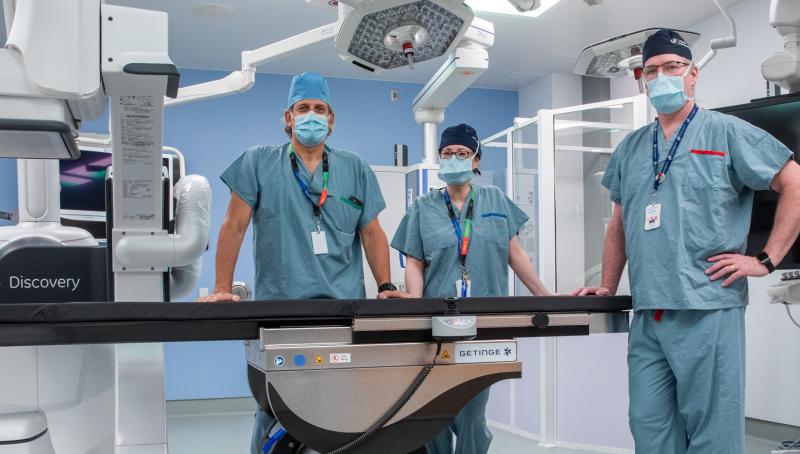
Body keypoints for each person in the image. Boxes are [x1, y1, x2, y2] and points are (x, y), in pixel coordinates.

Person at [571, 29, 800, 454]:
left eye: (672, 68)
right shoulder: (631, 148)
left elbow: (795, 183)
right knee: (649, 427)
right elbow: (619, 224)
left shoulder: (727, 132)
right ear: (642, 81)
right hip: (650, 311)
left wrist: (765, 260)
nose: (661, 77)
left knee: (713, 433)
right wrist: (607, 284)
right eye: (652, 70)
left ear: (692, 75)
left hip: (707, 307)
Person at [196, 72, 400, 453]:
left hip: (342, 308)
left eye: (319, 109)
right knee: (275, 405)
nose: (312, 116)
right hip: (282, 307)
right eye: (303, 108)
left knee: (342, 406)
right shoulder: (258, 161)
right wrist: (222, 287)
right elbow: (233, 225)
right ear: (288, 117)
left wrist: (386, 286)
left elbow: (371, 233)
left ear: (332, 120)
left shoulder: (354, 168)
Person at [391, 123, 551, 454]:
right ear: (439, 159)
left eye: (462, 154)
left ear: (476, 160)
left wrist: (547, 298)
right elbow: (415, 263)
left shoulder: (495, 200)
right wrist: (416, 308)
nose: (454, 159)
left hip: (485, 324)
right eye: (447, 154)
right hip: (437, 325)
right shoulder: (423, 206)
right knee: (434, 411)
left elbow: (516, 255)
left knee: (472, 413)